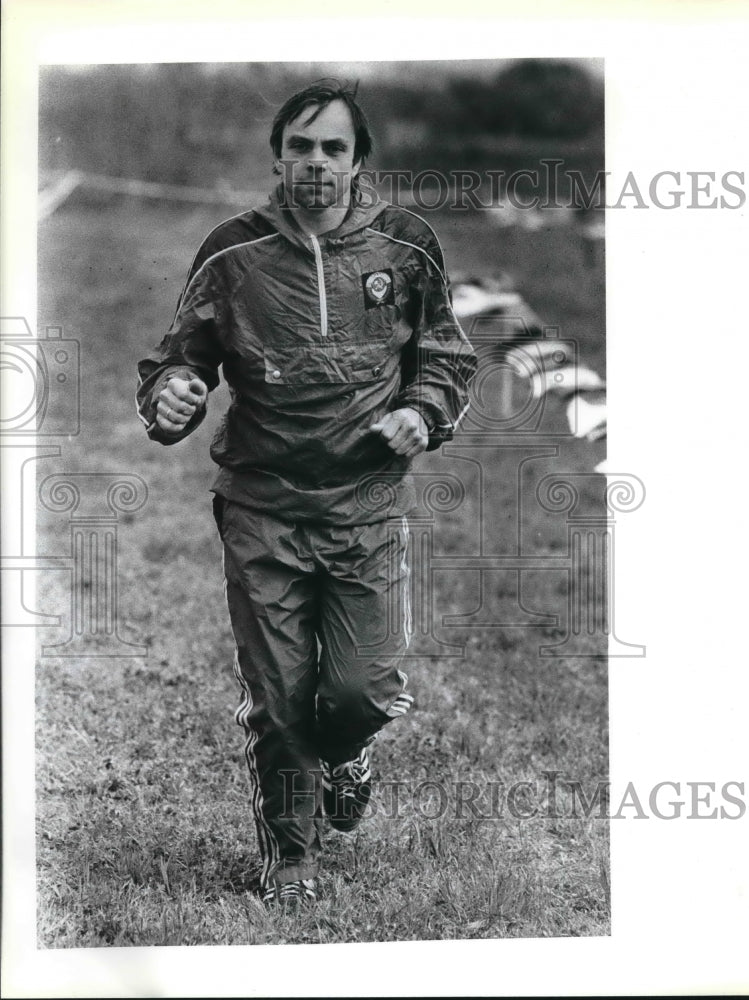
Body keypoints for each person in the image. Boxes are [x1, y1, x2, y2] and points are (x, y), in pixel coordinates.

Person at [136, 79, 476, 905]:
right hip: (263, 510)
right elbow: (178, 359)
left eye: (332, 147)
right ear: (278, 156)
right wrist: (173, 394)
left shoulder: (406, 245)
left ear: (359, 161)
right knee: (280, 699)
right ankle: (291, 858)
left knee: (360, 691)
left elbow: (445, 356)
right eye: (300, 146)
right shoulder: (231, 250)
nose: (314, 161)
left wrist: (421, 410)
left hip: (365, 508)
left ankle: (348, 754)